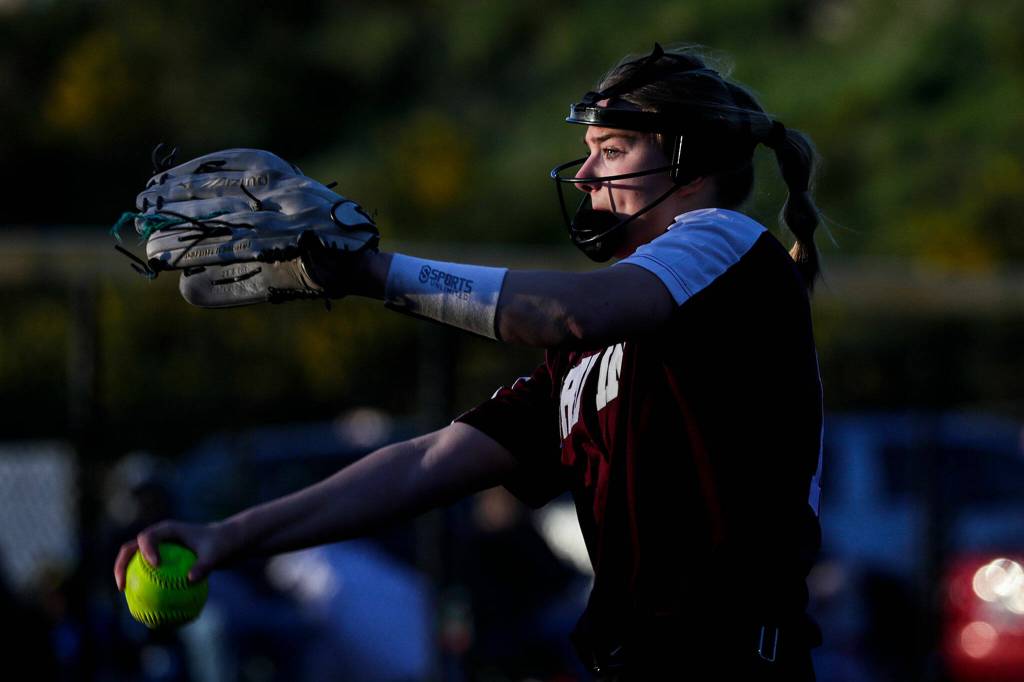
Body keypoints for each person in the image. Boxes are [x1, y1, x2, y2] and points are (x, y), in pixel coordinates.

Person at [115, 43, 825, 680]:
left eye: (612, 150)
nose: (583, 175)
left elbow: (569, 309)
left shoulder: (729, 244)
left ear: (690, 164)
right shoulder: (595, 350)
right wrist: (229, 537)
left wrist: (371, 271)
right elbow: (426, 463)